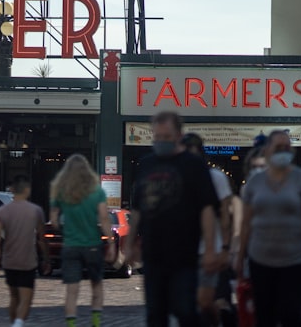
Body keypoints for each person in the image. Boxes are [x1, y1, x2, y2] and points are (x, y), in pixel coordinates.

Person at [124, 111, 220, 327]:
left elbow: (207, 209)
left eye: (166, 137)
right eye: (157, 137)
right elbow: (138, 208)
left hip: (184, 254)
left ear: (178, 135)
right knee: (155, 314)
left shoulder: (193, 165)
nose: (161, 142)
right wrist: (130, 244)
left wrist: (212, 249)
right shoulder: (147, 164)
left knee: (185, 310)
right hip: (153, 254)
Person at [236, 130, 301, 327]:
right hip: (261, 259)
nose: (283, 151)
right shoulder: (255, 182)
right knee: (264, 316)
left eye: (287, 147)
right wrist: (239, 257)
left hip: (296, 259)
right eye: (278, 147)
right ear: (267, 150)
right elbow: (246, 223)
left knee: (290, 312)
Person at [50, 154, 111, 327]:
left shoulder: (61, 192)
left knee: (72, 290)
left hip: (71, 245)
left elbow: (54, 219)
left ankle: (71, 324)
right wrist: (112, 243)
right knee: (96, 285)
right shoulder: (97, 192)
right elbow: (104, 218)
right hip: (92, 244)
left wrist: (63, 228)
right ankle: (96, 322)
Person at [182, 132, 234, 327]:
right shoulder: (178, 177)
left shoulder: (216, 178)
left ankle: (225, 315)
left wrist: (226, 248)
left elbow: (226, 215)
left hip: (212, 249)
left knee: (209, 301)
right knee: (191, 303)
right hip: (186, 251)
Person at [0, 175, 50, 327]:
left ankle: (14, 323)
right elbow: (41, 238)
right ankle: (17, 324)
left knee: (13, 296)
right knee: (26, 298)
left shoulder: (2, 211)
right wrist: (46, 258)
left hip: (9, 260)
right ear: (27, 190)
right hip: (27, 261)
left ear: (12, 190)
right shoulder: (36, 211)